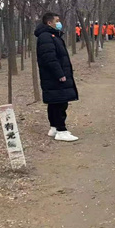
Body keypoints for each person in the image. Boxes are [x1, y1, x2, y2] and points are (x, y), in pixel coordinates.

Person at [35, 12, 79, 142]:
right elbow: (50, 58)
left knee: (54, 102)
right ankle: (61, 130)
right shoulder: (46, 37)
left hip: (53, 76)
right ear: (49, 23)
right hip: (53, 76)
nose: (59, 23)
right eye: (57, 21)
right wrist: (60, 74)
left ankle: (54, 127)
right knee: (60, 102)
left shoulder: (52, 35)